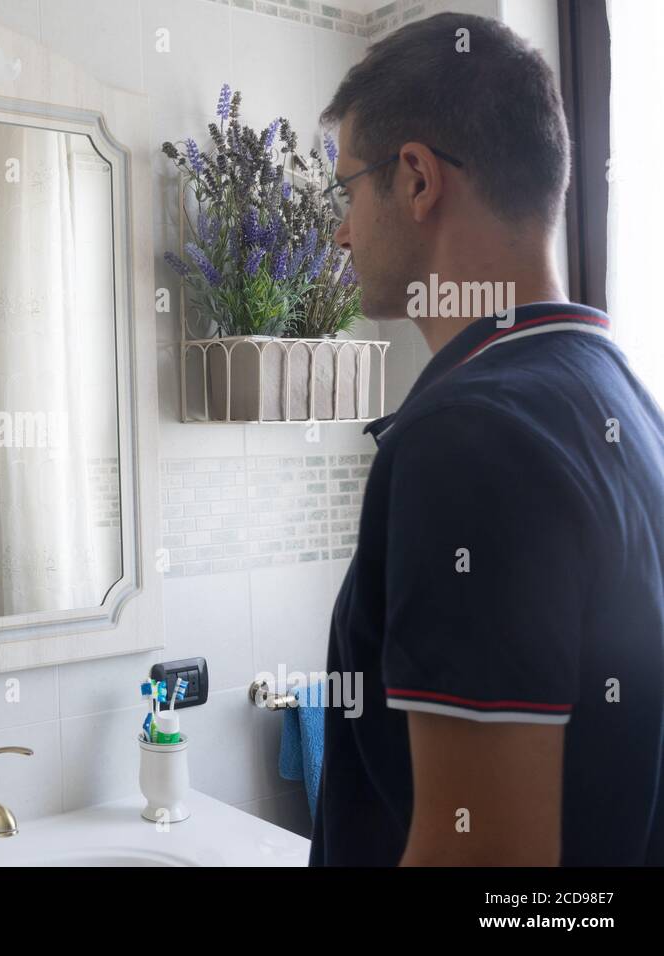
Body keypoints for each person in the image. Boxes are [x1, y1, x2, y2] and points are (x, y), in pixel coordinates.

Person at [312, 12, 664, 864]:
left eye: (347, 190)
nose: (341, 232)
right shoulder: (624, 397)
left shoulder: (467, 440)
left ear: (418, 180)